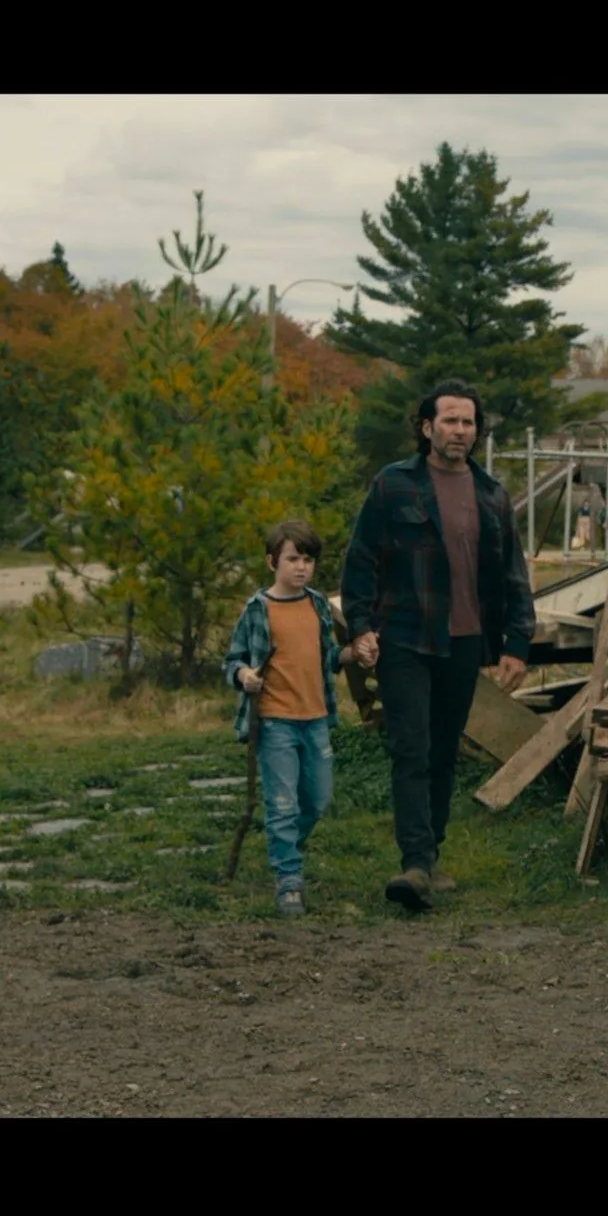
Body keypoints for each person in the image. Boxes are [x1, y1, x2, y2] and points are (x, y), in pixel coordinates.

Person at [341, 380, 535, 913]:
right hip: (404, 637)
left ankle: (430, 855)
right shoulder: (394, 486)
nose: (460, 430)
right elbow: (360, 561)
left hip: (466, 642)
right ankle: (416, 863)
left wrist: (517, 641)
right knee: (411, 747)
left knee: (444, 752)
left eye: (468, 422)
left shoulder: (492, 495)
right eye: (449, 420)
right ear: (427, 428)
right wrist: (360, 626)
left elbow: (513, 575)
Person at [223, 518, 345, 918]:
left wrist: (352, 655)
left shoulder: (317, 605)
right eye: (293, 558)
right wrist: (246, 676)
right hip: (275, 720)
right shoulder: (259, 609)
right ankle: (289, 880)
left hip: (316, 718)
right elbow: (233, 661)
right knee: (282, 803)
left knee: (318, 798)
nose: (301, 567)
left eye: (308, 560)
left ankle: (286, 846)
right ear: (272, 561)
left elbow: (327, 658)